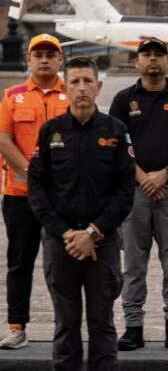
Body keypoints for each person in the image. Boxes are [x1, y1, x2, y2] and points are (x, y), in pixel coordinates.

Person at [27, 57, 136, 370]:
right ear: (65, 88)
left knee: (102, 321)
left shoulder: (116, 131)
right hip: (60, 242)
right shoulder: (50, 131)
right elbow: (37, 188)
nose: (82, 87)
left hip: (103, 241)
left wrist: (93, 232)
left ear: (98, 86)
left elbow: (125, 190)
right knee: (66, 322)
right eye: (74, 81)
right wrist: (66, 233)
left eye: (88, 81)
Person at [109, 37, 168, 351]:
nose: (153, 59)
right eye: (146, 54)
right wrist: (143, 177)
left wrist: (166, 173)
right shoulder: (124, 99)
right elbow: (117, 145)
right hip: (134, 193)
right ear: (137, 62)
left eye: (159, 55)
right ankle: (132, 327)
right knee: (133, 264)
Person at [0, 34, 70, 349]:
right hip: (21, 194)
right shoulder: (11, 96)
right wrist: (34, 175)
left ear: (60, 60)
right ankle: (17, 327)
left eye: (50, 55)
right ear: (28, 60)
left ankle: (66, 327)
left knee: (65, 265)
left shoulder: (72, 94)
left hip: (63, 197)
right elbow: (4, 140)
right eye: (38, 55)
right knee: (19, 262)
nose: (44, 60)